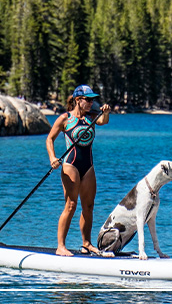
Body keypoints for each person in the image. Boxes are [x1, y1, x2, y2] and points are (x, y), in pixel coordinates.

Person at [46, 84, 111, 256]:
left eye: (93, 100)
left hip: (88, 166)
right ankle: (61, 246)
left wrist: (105, 111)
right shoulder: (65, 119)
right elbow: (49, 139)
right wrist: (53, 158)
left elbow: (104, 121)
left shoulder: (92, 117)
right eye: (87, 100)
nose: (91, 103)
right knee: (71, 205)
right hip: (70, 165)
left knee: (88, 206)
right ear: (77, 100)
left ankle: (86, 244)